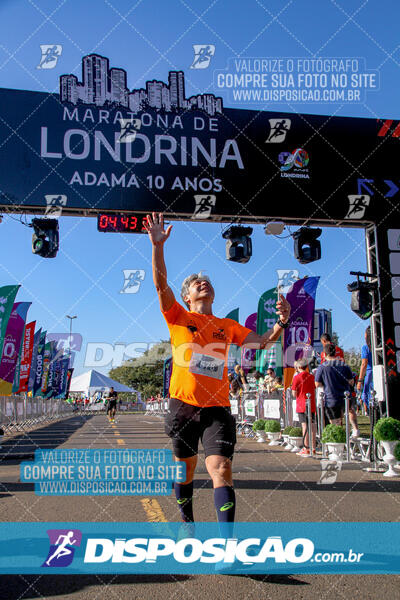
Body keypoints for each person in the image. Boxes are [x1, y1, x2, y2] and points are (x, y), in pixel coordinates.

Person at [145, 212, 291, 532]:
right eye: (196, 282)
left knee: (220, 468)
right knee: (185, 470)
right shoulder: (178, 316)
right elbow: (159, 284)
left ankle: (227, 543)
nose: (203, 282)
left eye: (207, 281)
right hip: (182, 406)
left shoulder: (228, 326)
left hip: (217, 409)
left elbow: (264, 343)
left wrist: (281, 322)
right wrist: (158, 246)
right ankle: (187, 522)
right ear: (187, 297)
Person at [315, 343, 360, 436]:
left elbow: (317, 384)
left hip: (331, 397)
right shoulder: (344, 365)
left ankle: (339, 440)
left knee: (335, 422)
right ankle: (355, 429)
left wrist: (327, 382)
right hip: (345, 395)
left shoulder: (322, 367)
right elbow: (351, 381)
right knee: (350, 410)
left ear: (324, 354)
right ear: (335, 352)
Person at [291, 358, 316, 456]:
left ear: (299, 367)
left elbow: (294, 393)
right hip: (311, 403)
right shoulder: (311, 376)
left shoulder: (296, 377)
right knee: (312, 425)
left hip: (301, 404)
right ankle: (313, 447)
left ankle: (306, 447)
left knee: (304, 425)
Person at [357, 326, 373, 413]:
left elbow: (364, 364)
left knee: (367, 395)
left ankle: (369, 412)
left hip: (370, 374)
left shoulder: (365, 348)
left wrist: (360, 380)